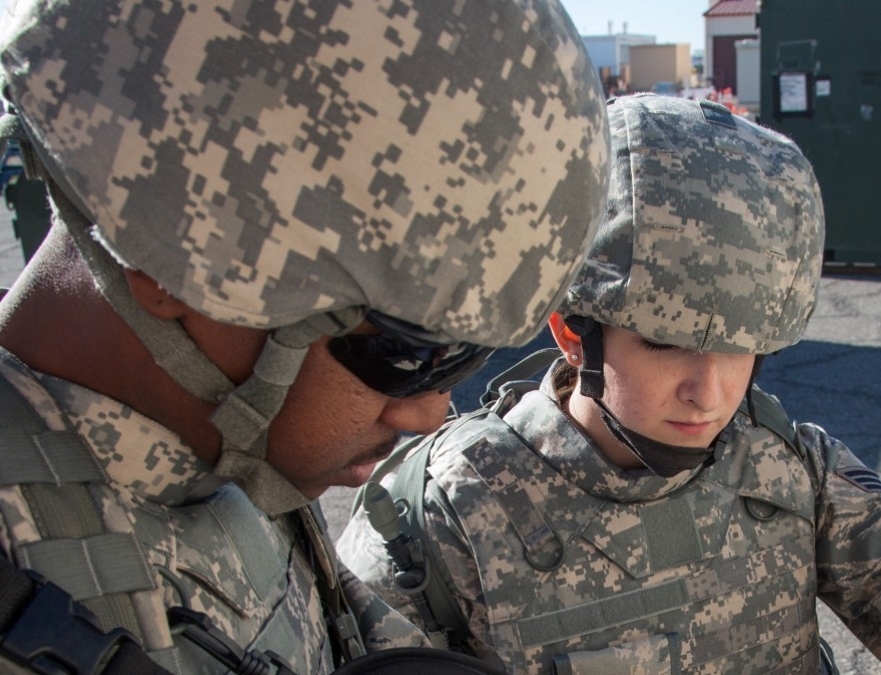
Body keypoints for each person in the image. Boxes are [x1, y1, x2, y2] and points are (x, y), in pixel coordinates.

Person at [337, 94, 881, 675]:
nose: (711, 392)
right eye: (666, 343)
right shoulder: (434, 520)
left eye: (742, 347)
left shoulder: (787, 466)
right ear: (572, 331)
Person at [0, 0, 608, 673]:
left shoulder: (231, 446)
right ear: (177, 263)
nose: (427, 415)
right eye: (408, 358)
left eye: (467, 361)